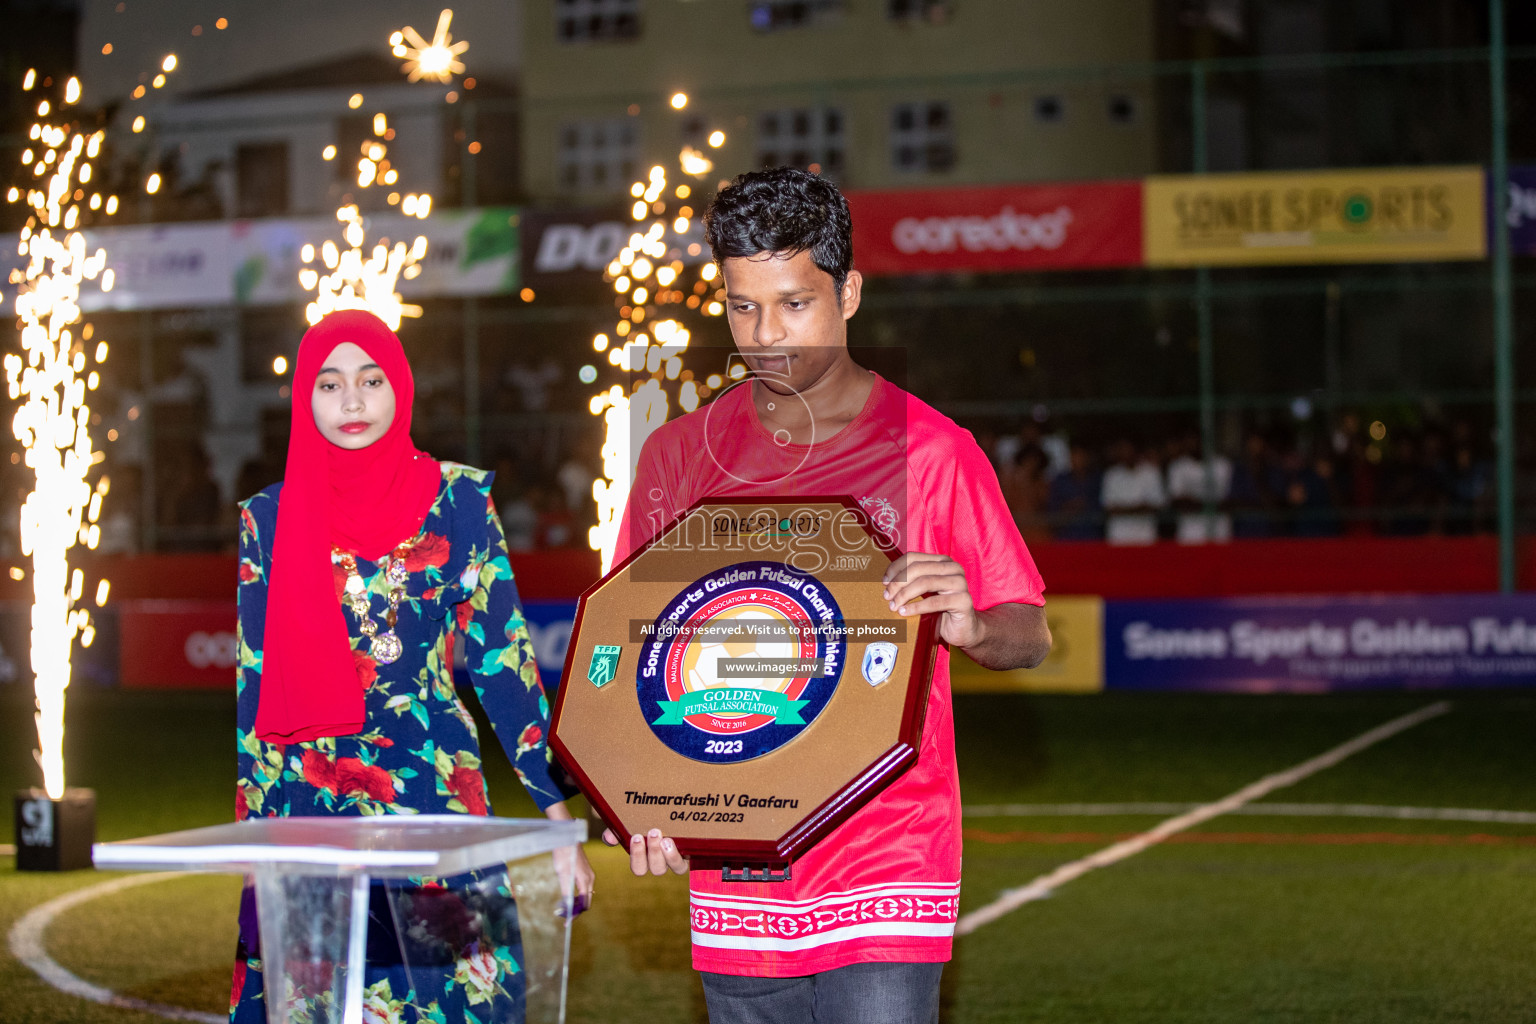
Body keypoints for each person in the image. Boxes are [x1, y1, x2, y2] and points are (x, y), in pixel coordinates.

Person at [606, 168, 1052, 1023]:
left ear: (848, 292)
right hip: (737, 853)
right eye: (743, 307)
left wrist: (969, 624)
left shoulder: (933, 450)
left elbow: (1026, 631)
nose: (767, 336)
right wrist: (642, 799)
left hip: (889, 851)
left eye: (794, 304)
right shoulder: (677, 456)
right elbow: (633, 655)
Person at [230, 310, 593, 1023]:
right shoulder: (266, 520)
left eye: (370, 380)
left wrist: (556, 822)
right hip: (311, 792)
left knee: (452, 1000)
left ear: (400, 387)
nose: (354, 400)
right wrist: (253, 849)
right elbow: (254, 686)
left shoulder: (459, 501)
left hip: (433, 784)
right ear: (304, 398)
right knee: (323, 1004)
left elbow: (504, 665)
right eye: (330, 384)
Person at [1100, 438, 1166, 544]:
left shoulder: (1151, 472)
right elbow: (1109, 508)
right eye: (1122, 449)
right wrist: (1139, 507)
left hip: (1146, 536)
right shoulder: (1111, 475)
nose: (1125, 453)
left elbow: (1157, 505)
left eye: (1128, 449)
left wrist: (1124, 508)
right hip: (1119, 537)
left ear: (1137, 450)